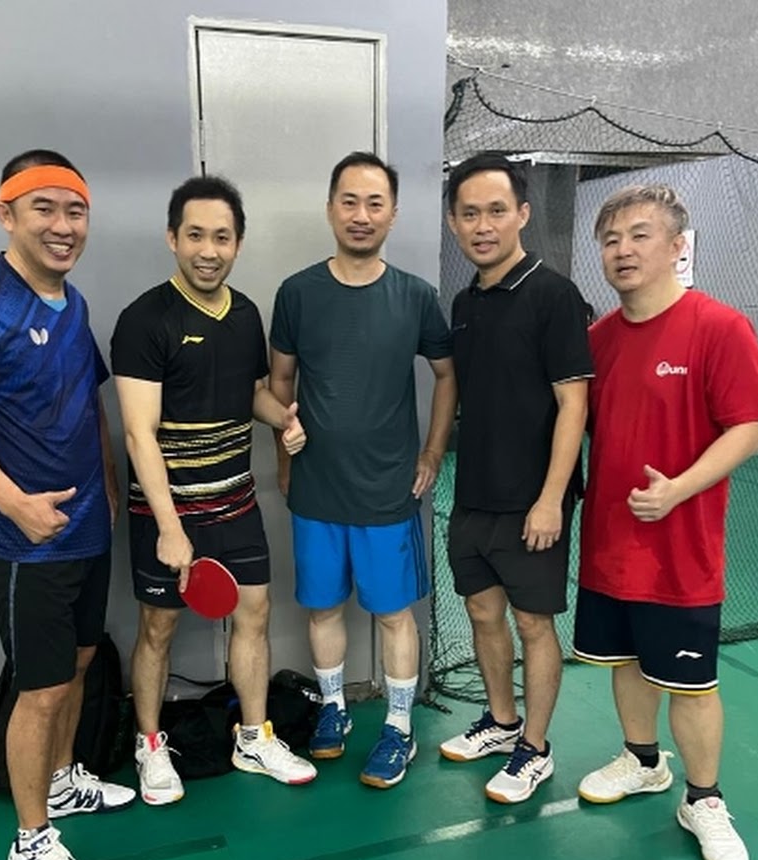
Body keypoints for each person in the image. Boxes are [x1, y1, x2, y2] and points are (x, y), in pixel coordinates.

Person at [0, 149, 135, 860]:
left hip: (86, 528)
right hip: (24, 543)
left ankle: (64, 778)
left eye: (75, 211)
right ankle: (31, 842)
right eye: (43, 208)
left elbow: (89, 403)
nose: (63, 226)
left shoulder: (73, 303)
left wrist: (107, 482)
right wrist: (16, 504)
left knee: (78, 662)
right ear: (6, 213)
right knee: (39, 689)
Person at [575, 185, 758, 860]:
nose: (622, 250)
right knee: (627, 662)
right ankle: (642, 760)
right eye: (610, 239)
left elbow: (748, 426)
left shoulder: (719, 327)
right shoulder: (598, 340)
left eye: (640, 235)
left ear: (677, 245)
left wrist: (679, 489)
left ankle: (703, 798)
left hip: (681, 552)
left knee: (691, 682)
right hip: (610, 545)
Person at [110, 175, 317, 804]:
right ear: (172, 238)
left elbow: (251, 392)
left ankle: (253, 736)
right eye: (195, 235)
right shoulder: (144, 321)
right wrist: (170, 529)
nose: (209, 250)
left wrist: (284, 418)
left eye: (222, 237)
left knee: (255, 613)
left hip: (236, 503)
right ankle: (150, 746)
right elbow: (139, 433)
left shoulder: (245, 314)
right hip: (167, 513)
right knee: (158, 628)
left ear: (238, 243)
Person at [269, 151, 456, 789]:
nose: (361, 214)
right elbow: (280, 383)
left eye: (375, 203)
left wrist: (432, 452)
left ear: (393, 214)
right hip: (316, 488)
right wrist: (284, 458)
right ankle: (334, 709)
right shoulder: (297, 293)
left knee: (394, 615)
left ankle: (399, 726)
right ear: (330, 208)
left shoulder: (416, 296)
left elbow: (447, 374)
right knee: (321, 608)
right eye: (349, 201)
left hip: (386, 490)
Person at [438, 153, 593, 803]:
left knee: (533, 623)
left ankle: (535, 747)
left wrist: (551, 499)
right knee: (482, 612)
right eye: (469, 213)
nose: (483, 226)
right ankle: (502, 723)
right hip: (474, 494)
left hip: (534, 501)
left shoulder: (554, 296)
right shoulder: (464, 302)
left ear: (522, 214)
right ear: (453, 222)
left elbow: (574, 403)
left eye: (496, 211)